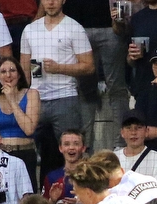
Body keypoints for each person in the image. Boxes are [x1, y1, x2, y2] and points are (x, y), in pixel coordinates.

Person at [19, 0, 94, 157]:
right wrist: (23, 97)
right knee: (31, 150)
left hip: (65, 98)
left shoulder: (74, 28)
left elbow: (89, 66)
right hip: (36, 99)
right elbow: (24, 68)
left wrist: (59, 68)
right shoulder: (30, 30)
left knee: (72, 151)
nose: (51, 2)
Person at [63, 0, 129, 151]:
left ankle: (121, 144)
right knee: (85, 91)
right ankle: (85, 146)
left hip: (110, 27)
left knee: (117, 89)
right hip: (79, 27)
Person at [0, 57, 41, 187]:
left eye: (12, 70)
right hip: (0, 155)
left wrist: (11, 99)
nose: (8, 75)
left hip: (24, 153)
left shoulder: (32, 94)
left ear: (19, 74)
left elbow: (29, 129)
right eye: (3, 71)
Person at [113, 111, 157, 191]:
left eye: (138, 128)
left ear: (146, 132)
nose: (133, 132)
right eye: (129, 128)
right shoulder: (113, 159)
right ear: (122, 132)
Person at [43, 129, 87, 204]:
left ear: (83, 148)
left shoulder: (92, 176)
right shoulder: (52, 177)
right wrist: (52, 200)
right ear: (60, 148)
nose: (71, 147)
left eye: (76, 144)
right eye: (66, 144)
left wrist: (80, 203)